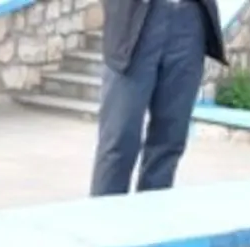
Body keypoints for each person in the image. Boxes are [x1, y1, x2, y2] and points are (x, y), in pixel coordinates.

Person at [90, 0, 227, 196]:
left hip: (189, 21)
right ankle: (105, 221)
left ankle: (151, 221)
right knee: (119, 138)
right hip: (136, 21)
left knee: (170, 138)